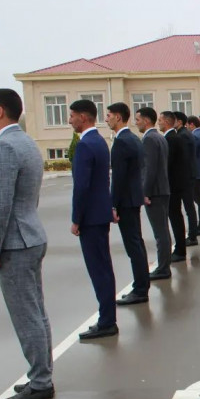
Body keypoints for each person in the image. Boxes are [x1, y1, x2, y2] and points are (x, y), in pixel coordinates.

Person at [0, 88, 55, 399]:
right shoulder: (25, 142)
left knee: (26, 315)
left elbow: (0, 202)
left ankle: (41, 381)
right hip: (30, 234)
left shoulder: (5, 147)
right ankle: (41, 374)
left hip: (15, 242)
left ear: (0, 111)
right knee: (36, 311)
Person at [69, 99, 118, 340]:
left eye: (72, 116)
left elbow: (82, 187)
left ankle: (107, 321)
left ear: (83, 117)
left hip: (90, 218)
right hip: (100, 214)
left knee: (98, 270)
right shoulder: (99, 141)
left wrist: (76, 219)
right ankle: (108, 318)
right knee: (104, 267)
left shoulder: (85, 145)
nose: (70, 120)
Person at [106, 102, 150, 304]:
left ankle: (140, 289)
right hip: (133, 198)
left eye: (109, 115)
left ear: (118, 117)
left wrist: (113, 205)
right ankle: (142, 285)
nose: (106, 119)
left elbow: (119, 178)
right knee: (137, 243)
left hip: (126, 200)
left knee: (133, 246)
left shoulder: (122, 141)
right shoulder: (133, 138)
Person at [135, 107, 172, 280]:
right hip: (162, 189)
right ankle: (164, 265)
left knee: (160, 232)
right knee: (163, 229)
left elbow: (149, 169)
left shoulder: (149, 139)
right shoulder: (159, 137)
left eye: (138, 120)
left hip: (155, 191)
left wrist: (145, 192)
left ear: (146, 120)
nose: (136, 123)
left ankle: (163, 268)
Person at [161, 112, 189, 261]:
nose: (158, 123)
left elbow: (167, 164)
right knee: (176, 215)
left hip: (173, 184)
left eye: (160, 120)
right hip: (176, 183)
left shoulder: (171, 139)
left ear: (166, 122)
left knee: (175, 216)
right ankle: (180, 248)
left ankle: (180, 250)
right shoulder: (174, 137)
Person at [175, 113, 199, 245]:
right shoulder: (185, 133)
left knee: (189, 207)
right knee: (189, 207)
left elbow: (183, 158)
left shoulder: (183, 135)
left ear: (179, 122)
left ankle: (192, 236)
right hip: (189, 174)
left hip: (186, 176)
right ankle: (192, 234)